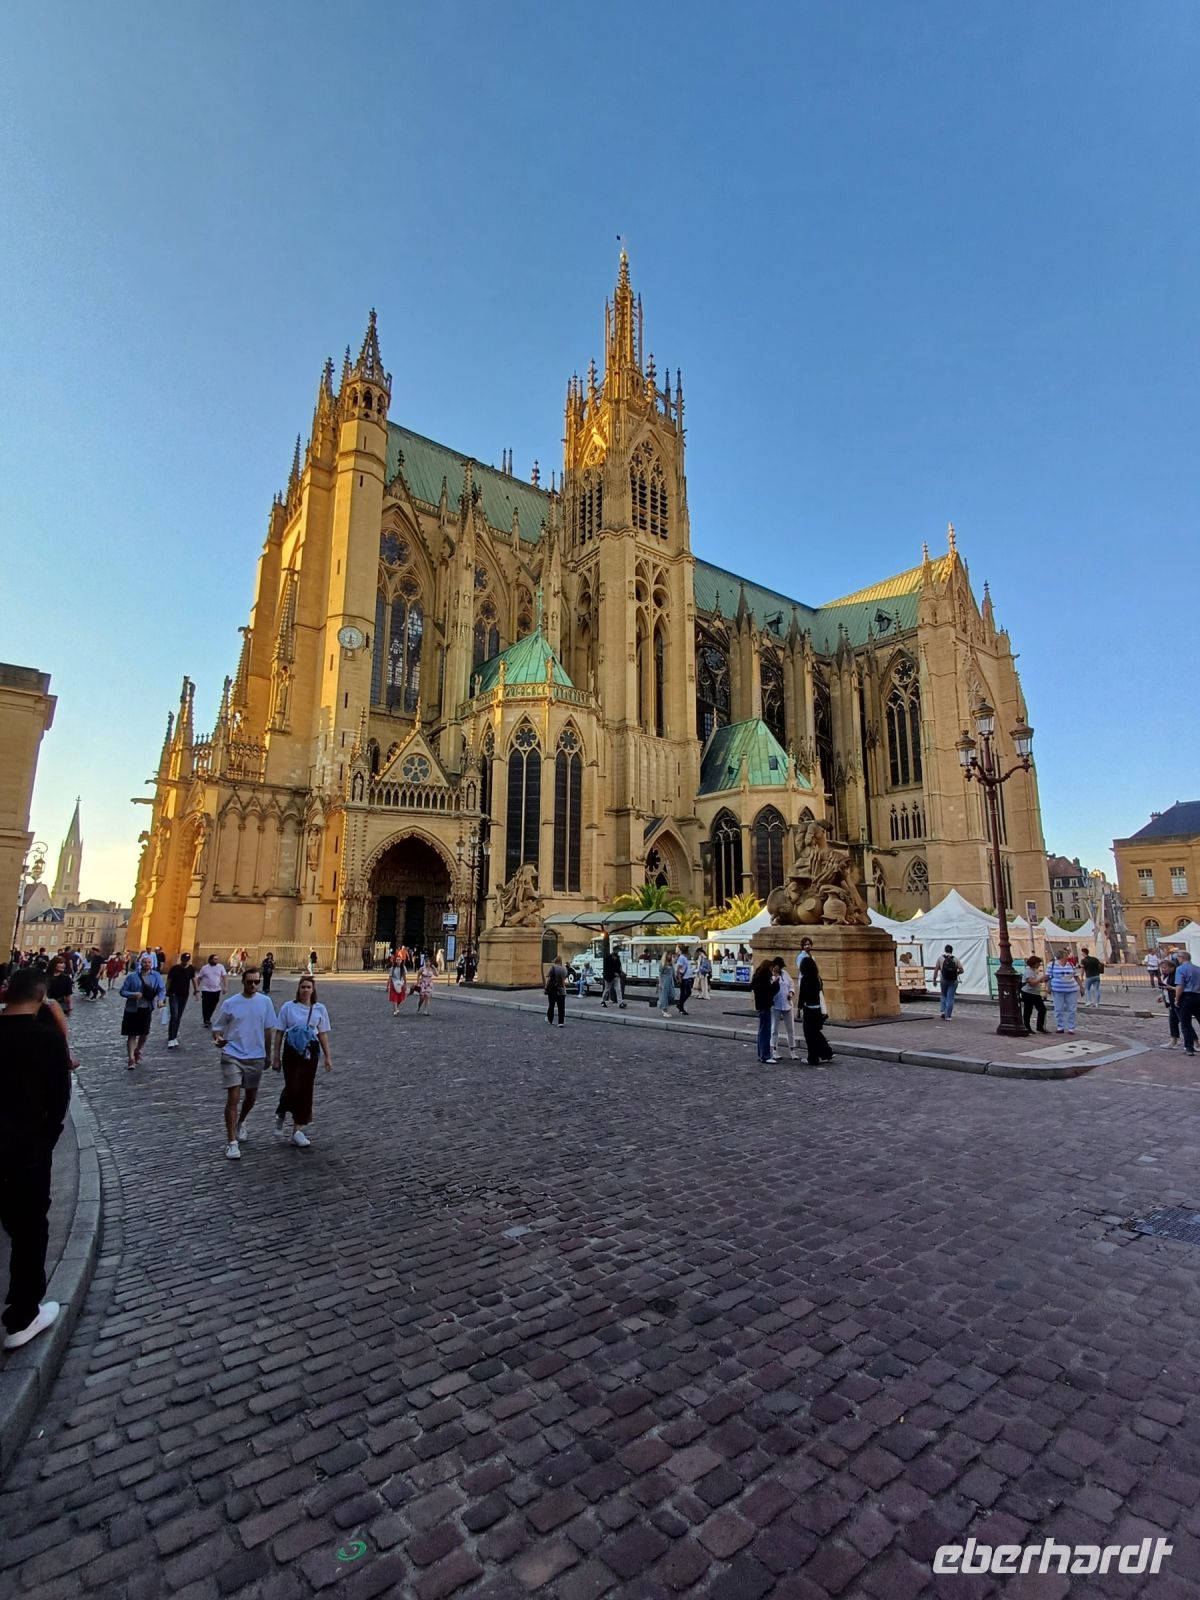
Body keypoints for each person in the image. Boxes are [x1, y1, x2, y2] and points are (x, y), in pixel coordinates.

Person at [0, 969, 72, 1350]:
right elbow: (59, 1100)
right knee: (30, 1231)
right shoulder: (46, 1040)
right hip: (25, 1153)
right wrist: (47, 1140)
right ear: (43, 996)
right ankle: (23, 1317)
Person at [211, 967, 279, 1159]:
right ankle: (231, 1142)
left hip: (255, 1056)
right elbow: (217, 1028)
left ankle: (242, 1121)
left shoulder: (265, 1002)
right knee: (233, 1097)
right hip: (232, 1054)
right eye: (250, 982)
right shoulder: (231, 1003)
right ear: (243, 981)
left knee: (251, 1097)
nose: (253, 985)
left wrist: (268, 1054)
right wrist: (218, 1039)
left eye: (257, 982)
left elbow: (268, 1030)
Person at [272, 975, 332, 1148]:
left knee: (306, 1088)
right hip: (291, 1050)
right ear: (298, 989)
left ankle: (297, 1129)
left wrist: (328, 1056)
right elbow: (279, 1033)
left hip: (310, 1050)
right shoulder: (288, 1007)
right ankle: (281, 1111)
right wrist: (275, 1056)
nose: (305, 990)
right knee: (292, 1085)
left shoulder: (320, 1009)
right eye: (303, 987)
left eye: (308, 987)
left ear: (313, 990)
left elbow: (323, 1034)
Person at [119, 955, 166, 1068]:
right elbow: (122, 991)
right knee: (132, 1034)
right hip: (132, 1009)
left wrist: (160, 1000)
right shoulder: (132, 977)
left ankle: (137, 1050)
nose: (147, 964)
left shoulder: (156, 976)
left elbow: (161, 989)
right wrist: (133, 995)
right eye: (144, 962)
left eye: (149, 962)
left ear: (152, 964)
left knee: (144, 1033)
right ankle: (131, 1059)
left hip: (147, 1008)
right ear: (141, 964)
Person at [796, 936, 834, 1064]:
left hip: (809, 1010)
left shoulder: (806, 979)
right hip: (817, 1009)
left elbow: (802, 995)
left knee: (809, 1035)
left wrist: (799, 1008)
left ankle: (813, 1058)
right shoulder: (816, 979)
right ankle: (826, 1053)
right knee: (817, 1033)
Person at [164, 951, 198, 1049]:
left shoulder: (191, 969)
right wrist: (166, 992)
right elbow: (169, 981)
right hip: (174, 994)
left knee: (178, 1016)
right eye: (184, 959)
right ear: (181, 959)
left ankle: (174, 1036)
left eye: (187, 960)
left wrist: (196, 991)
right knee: (174, 1015)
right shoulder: (174, 968)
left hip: (184, 995)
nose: (185, 961)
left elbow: (194, 980)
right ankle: (171, 1038)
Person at [1047, 947, 1083, 1034]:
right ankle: (1060, 1026)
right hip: (1058, 989)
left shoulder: (1070, 964)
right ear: (1061, 957)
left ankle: (1071, 1027)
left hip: (1071, 989)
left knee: (1072, 1009)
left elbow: (1076, 976)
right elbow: (1048, 976)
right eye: (1065, 956)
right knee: (1058, 1009)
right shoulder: (1051, 965)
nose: (1067, 958)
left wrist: (1081, 986)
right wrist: (1048, 987)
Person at [750, 960, 779, 1064]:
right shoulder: (764, 980)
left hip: (761, 1006)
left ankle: (761, 1054)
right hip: (765, 1006)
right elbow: (770, 992)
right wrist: (776, 984)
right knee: (766, 1032)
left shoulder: (757, 978)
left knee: (762, 1031)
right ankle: (765, 1055)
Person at [770, 957, 796, 1061]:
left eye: (780, 967)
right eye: (778, 967)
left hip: (787, 1004)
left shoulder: (785, 974)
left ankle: (792, 1050)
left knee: (790, 1028)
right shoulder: (771, 976)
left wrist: (791, 993)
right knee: (774, 1028)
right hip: (775, 1005)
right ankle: (774, 1050)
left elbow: (791, 985)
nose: (779, 969)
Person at [1175, 951, 1200, 1059]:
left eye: (1177, 957)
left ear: (1182, 958)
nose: (1177, 959)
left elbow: (1180, 985)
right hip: (1198, 996)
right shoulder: (1198, 968)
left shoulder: (1180, 969)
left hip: (1186, 996)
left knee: (1185, 1023)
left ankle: (1189, 1048)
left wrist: (1177, 998)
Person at [196, 954, 228, 1030]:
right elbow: (199, 978)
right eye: (214, 959)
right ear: (210, 960)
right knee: (205, 1005)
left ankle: (209, 1016)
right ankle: (206, 1020)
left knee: (213, 1004)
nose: (216, 961)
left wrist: (225, 987)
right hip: (206, 990)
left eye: (217, 959)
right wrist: (196, 988)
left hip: (217, 989)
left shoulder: (220, 967)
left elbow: (224, 977)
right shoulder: (204, 968)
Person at [1020, 955, 1049, 1033]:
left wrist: (1044, 979)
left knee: (1042, 1009)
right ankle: (1027, 1026)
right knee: (1028, 1010)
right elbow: (1032, 983)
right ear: (1033, 963)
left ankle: (1040, 1026)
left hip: (1035, 993)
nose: (1039, 965)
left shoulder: (1035, 971)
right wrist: (1041, 977)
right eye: (1038, 963)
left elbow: (1038, 981)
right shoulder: (1028, 971)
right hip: (1028, 993)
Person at [933, 946, 960, 1020]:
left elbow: (936, 969)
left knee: (943, 995)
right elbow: (962, 970)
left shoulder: (940, 958)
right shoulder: (955, 959)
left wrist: (934, 979)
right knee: (950, 997)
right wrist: (956, 973)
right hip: (953, 980)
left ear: (945, 950)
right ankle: (948, 1016)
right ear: (952, 951)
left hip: (943, 979)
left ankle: (943, 1011)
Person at [1159, 955, 1180, 1049]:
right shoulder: (1166, 976)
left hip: (1177, 1002)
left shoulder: (1176, 975)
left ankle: (1195, 1041)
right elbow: (1165, 988)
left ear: (1172, 967)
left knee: (1184, 1023)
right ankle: (1173, 1040)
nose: (1162, 970)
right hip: (1170, 1002)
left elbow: (1181, 988)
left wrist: (1170, 988)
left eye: (1164, 968)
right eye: (1161, 968)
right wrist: (1162, 996)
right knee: (1172, 1022)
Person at [45, 955, 74, 1021]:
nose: (63, 965)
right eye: (60, 963)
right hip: (46, 1005)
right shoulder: (44, 977)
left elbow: (68, 995)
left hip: (60, 1005)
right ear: (54, 964)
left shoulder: (66, 979)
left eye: (64, 963)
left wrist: (70, 1008)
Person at [545, 956, 568, 1027]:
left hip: (553, 990)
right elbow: (564, 980)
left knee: (551, 1005)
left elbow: (548, 979)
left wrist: (546, 987)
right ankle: (560, 1022)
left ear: (555, 961)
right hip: (562, 990)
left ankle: (550, 1020)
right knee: (561, 1007)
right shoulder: (564, 969)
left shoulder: (553, 968)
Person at [674, 946, 693, 1016]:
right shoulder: (682, 958)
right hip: (683, 978)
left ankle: (680, 1004)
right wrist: (679, 978)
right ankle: (681, 1007)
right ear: (686, 951)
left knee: (688, 992)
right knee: (683, 993)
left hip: (686, 978)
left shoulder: (684, 958)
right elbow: (678, 969)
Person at [656, 951, 676, 1017]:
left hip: (670, 981)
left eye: (670, 955)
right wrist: (660, 983)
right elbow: (660, 974)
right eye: (668, 955)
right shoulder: (662, 964)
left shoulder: (671, 963)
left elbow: (673, 973)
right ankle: (664, 1010)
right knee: (664, 996)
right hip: (664, 981)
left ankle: (662, 1005)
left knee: (672, 994)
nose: (670, 956)